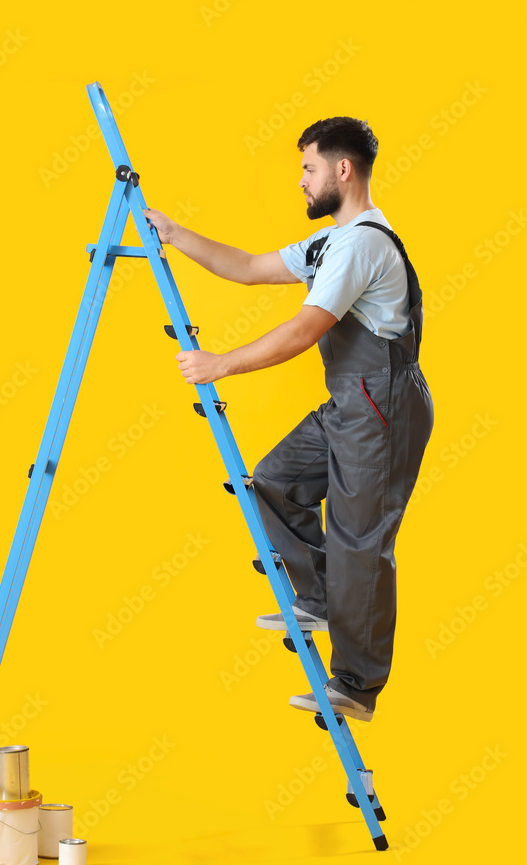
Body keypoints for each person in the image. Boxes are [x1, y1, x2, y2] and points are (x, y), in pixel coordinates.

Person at [142, 116, 433, 723]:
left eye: (308, 167)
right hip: (354, 400)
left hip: (382, 402)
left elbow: (305, 332)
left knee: (360, 540)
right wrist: (173, 234)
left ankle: (357, 682)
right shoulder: (333, 242)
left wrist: (219, 364)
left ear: (342, 169)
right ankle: (321, 598)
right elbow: (247, 267)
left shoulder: (361, 244)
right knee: (274, 481)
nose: (300, 180)